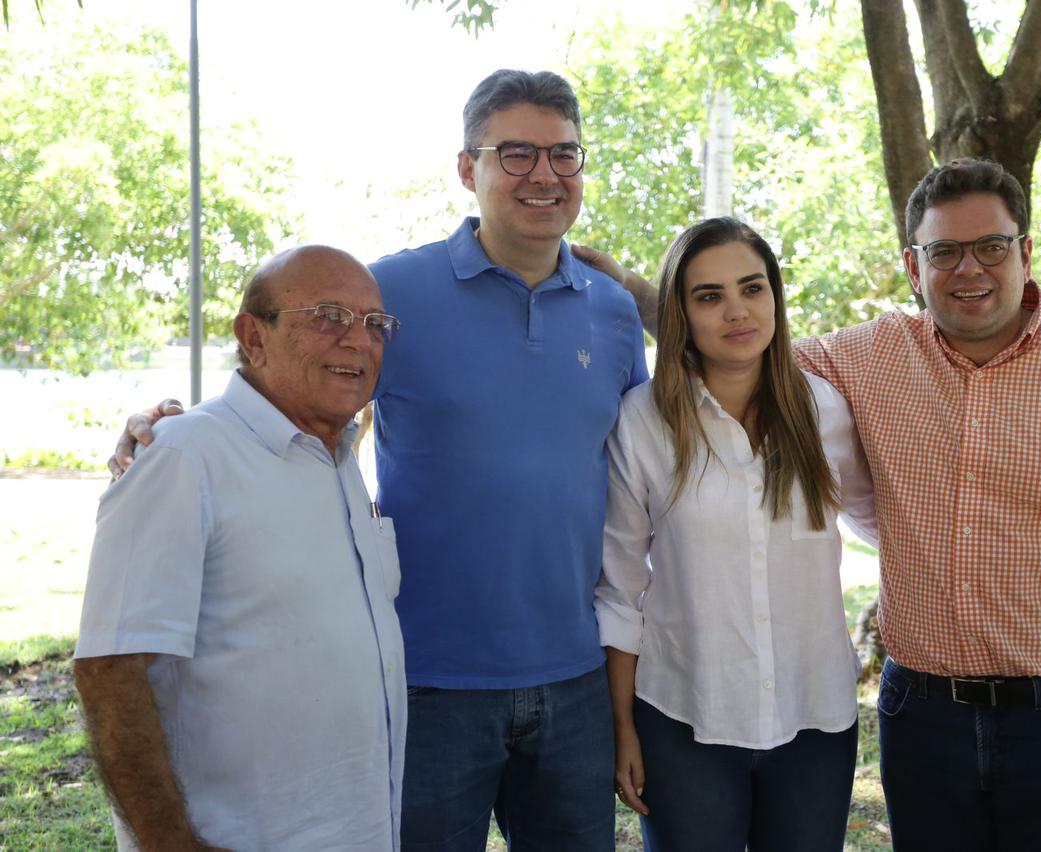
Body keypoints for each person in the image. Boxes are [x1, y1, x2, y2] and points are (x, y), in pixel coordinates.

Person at [578, 158, 1041, 851]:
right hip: (925, 720)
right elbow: (738, 343)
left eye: (991, 247)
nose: (969, 269)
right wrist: (639, 292)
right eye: (944, 252)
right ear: (914, 266)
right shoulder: (866, 360)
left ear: (1024, 252)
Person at [110, 70, 647, 852]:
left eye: (564, 155)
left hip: (576, 675)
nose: (544, 174)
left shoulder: (614, 309)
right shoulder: (394, 290)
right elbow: (287, 392)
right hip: (425, 679)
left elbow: (644, 458)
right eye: (517, 153)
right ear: (469, 169)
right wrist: (168, 424)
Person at [76, 246, 406, 852]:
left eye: (375, 324)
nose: (359, 342)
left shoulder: (339, 459)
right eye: (330, 316)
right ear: (254, 337)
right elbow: (108, 670)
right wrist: (169, 843)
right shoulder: (182, 456)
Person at [595, 218, 877, 852]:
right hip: (684, 715)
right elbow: (618, 591)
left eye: (752, 288)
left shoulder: (826, 410)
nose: (737, 311)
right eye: (709, 296)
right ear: (679, 313)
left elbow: (882, 523)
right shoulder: (643, 423)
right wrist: (623, 729)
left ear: (775, 297)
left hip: (815, 720)